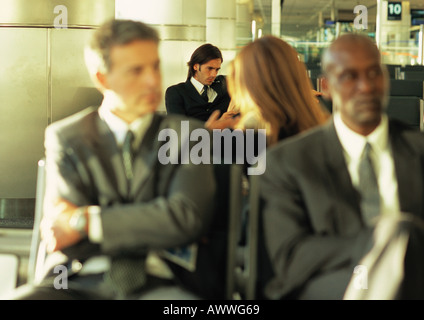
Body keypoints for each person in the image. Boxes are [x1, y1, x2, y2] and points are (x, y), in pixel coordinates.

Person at [8, 19, 216, 300]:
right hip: (76, 279)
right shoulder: (66, 137)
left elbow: (184, 218)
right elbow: (63, 234)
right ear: (102, 79)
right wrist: (153, 221)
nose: (153, 80)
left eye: (155, 66)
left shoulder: (189, 134)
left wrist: (86, 220)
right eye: (136, 71)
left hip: (162, 280)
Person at [261, 33, 424, 300]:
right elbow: (290, 256)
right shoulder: (288, 162)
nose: (366, 87)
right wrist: (383, 240)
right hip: (330, 287)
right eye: (350, 76)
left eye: (374, 73)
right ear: (325, 85)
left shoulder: (419, 151)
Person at [165, 43, 235, 124]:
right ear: (196, 66)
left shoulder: (224, 84)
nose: (214, 74)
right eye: (209, 68)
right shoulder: (176, 93)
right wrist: (217, 124)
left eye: (217, 70)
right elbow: (179, 130)